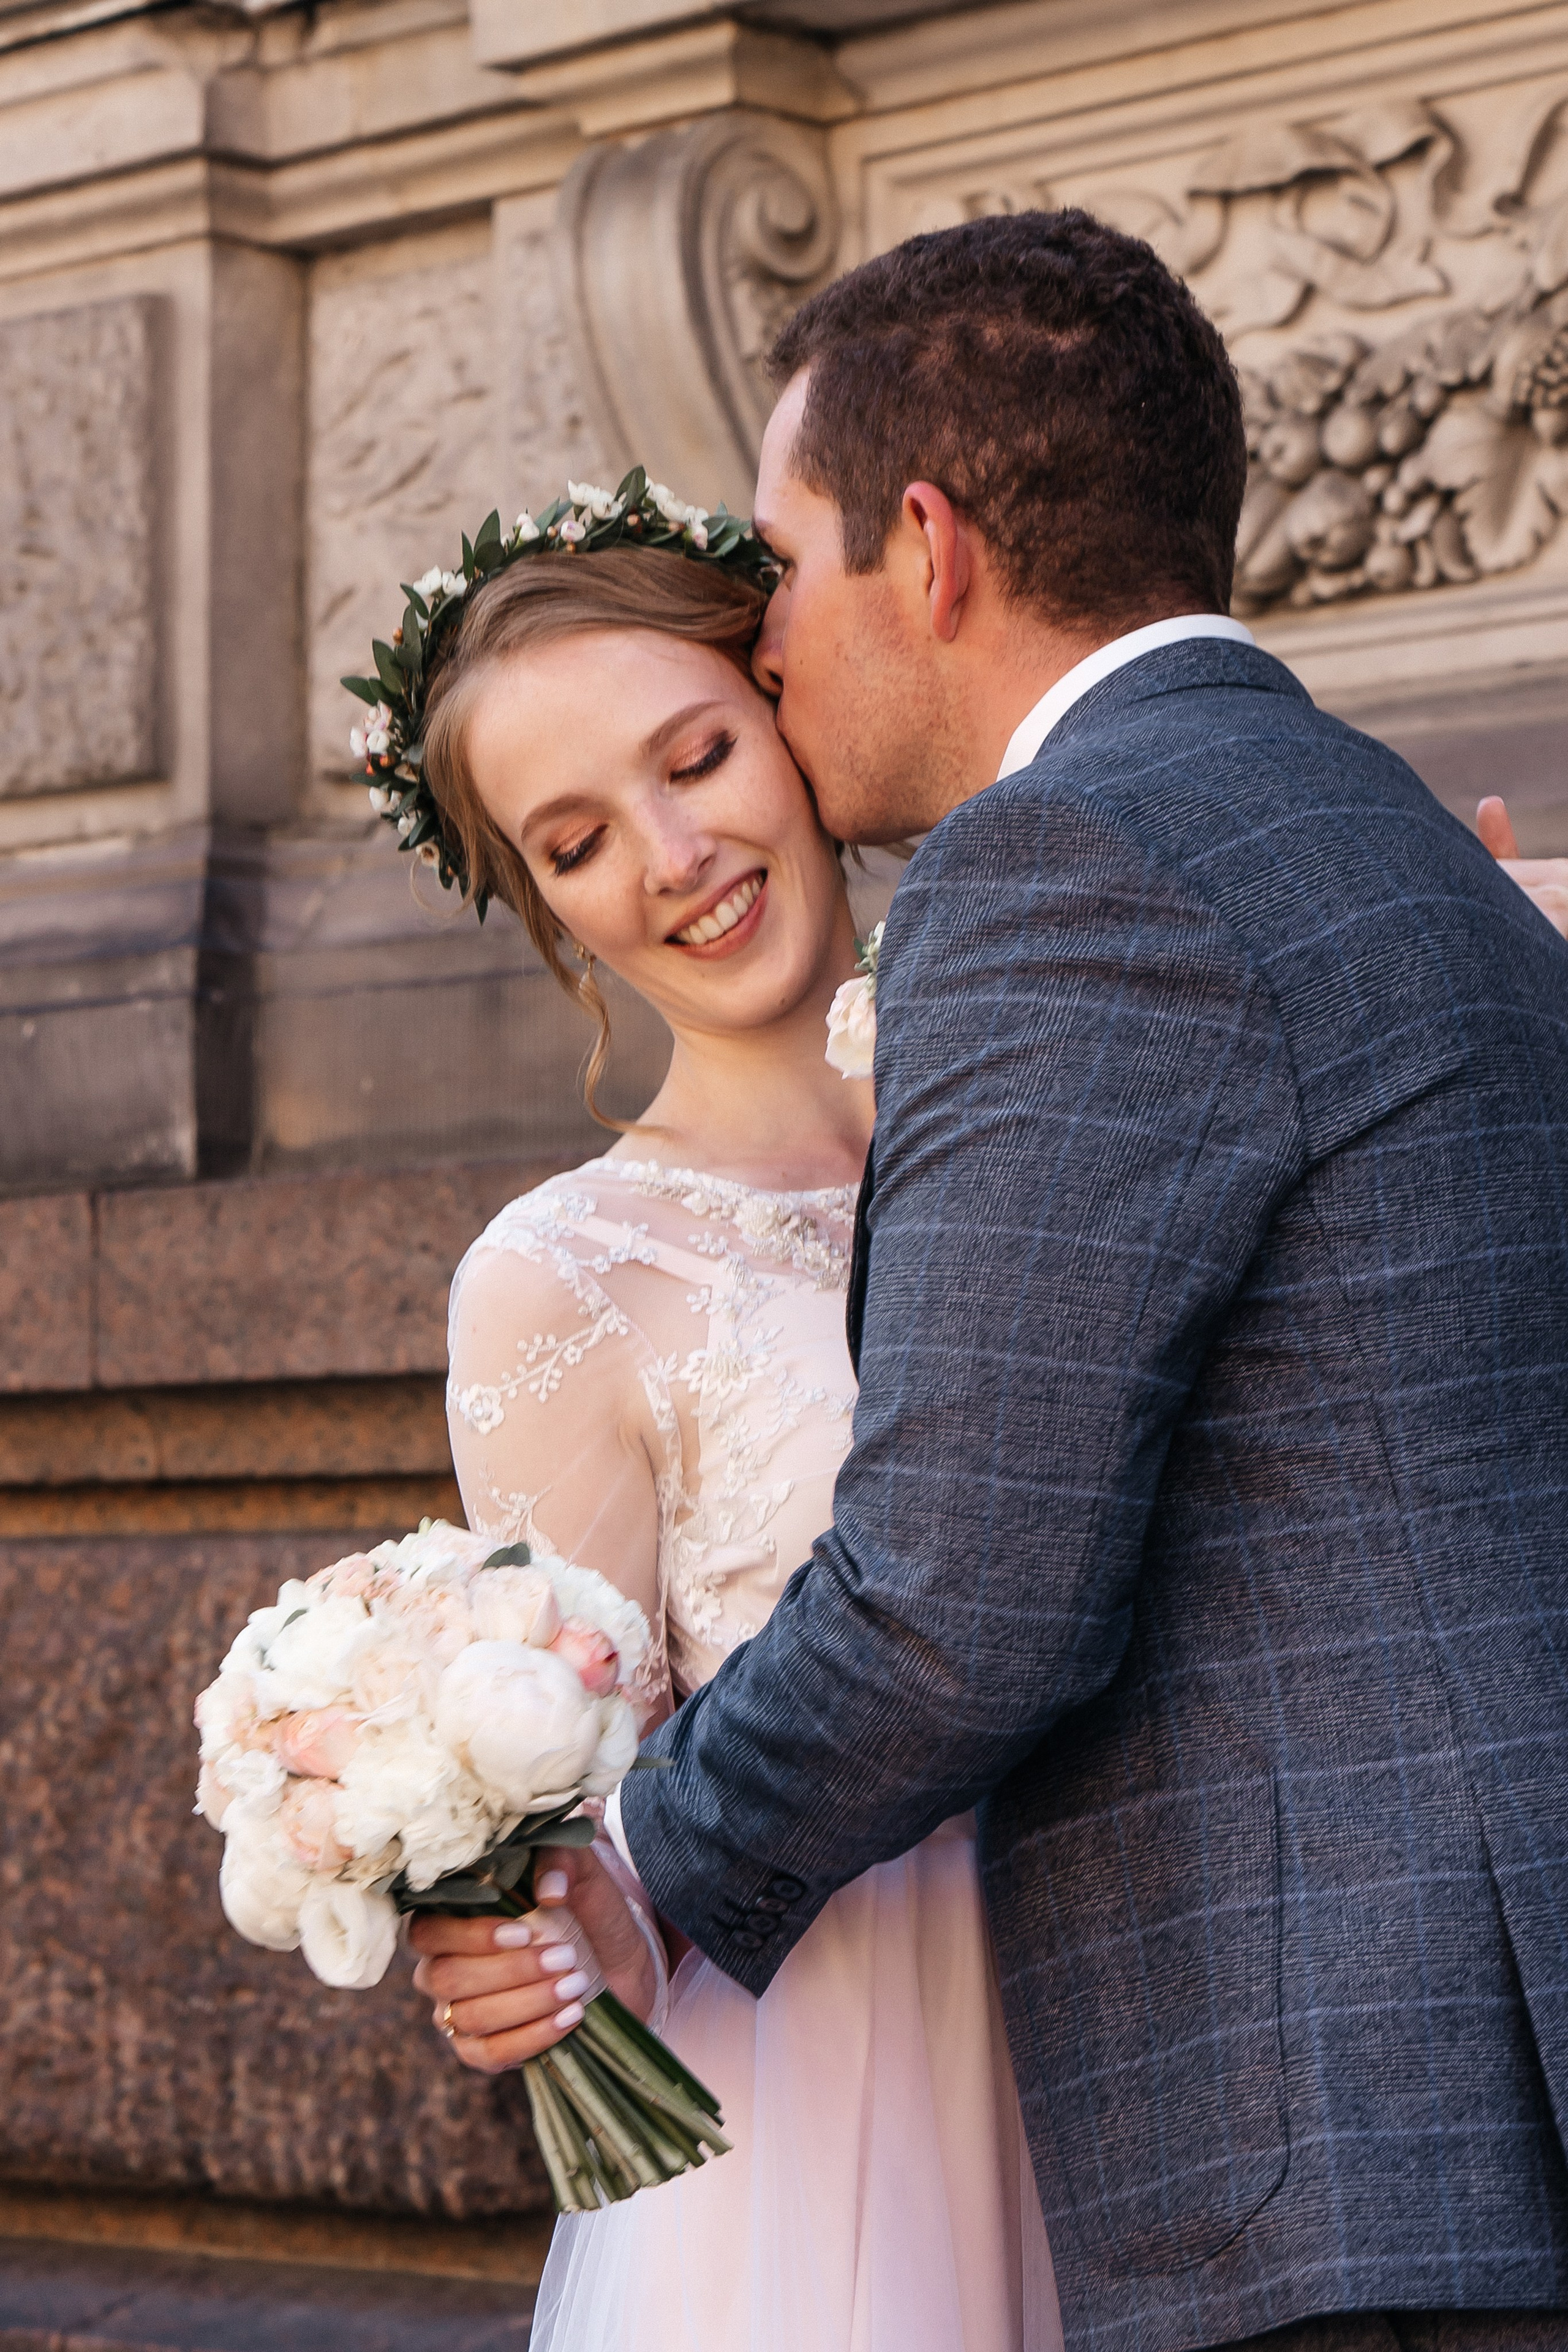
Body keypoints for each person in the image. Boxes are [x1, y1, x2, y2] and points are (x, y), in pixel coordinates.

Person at [404, 213, 1568, 2351]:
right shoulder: (1383, 846)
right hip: (976, 2115)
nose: (674, 848)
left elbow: (964, 1588)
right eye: (570, 842)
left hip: (1283, 2111)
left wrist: (645, 1877)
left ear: (920, 551)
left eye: (748, 667)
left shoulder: (1066, 887)